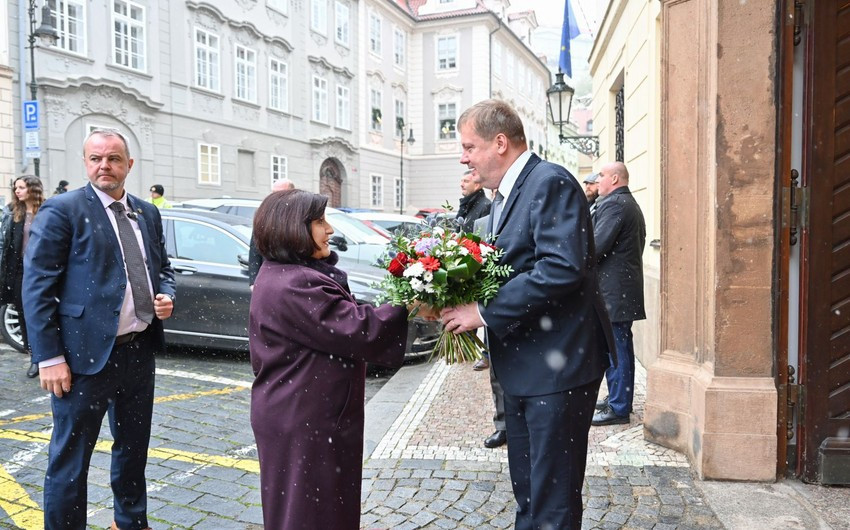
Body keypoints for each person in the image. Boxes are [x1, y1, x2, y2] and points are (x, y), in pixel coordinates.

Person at [440, 99, 614, 529]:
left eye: (469, 146)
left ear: (500, 143)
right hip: (525, 366)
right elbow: (515, 265)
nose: (463, 157)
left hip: (558, 368)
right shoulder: (503, 193)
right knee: (530, 495)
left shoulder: (550, 181)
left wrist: (482, 310)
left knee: (551, 501)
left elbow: (561, 268)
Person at [23, 128, 176, 530]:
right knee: (71, 457)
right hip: (81, 357)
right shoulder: (63, 210)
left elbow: (163, 269)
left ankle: (130, 522)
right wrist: (49, 357)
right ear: (86, 162)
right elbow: (37, 288)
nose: (104, 166)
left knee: (133, 449)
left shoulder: (147, 211)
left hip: (138, 351)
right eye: (96, 159)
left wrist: (165, 295)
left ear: (129, 164)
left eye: (112, 158)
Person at [249, 189, 410, 528]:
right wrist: (408, 305)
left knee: (316, 509)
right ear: (293, 228)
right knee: (310, 514)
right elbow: (356, 329)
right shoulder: (293, 283)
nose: (330, 230)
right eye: (320, 221)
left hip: (305, 415)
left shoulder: (289, 273)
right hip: (304, 419)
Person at [591, 161, 646, 426]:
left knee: (618, 348)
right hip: (620, 290)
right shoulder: (629, 203)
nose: (597, 180)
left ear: (614, 178)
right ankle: (617, 397)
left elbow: (597, 245)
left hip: (615, 292)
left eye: (601, 176)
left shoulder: (615, 204)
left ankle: (619, 407)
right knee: (616, 347)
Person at [0, 175, 45, 378]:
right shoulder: (13, 213)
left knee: (45, 314)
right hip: (19, 271)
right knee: (24, 315)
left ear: (33, 189)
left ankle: (47, 355)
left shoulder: (46, 212)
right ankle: (34, 357)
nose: (17, 191)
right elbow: (8, 246)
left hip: (43, 270)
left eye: (21, 187)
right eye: (15, 188)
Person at [248, 177, 296, 287]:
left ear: (292, 193)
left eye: (279, 193)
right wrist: (253, 280)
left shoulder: (299, 214)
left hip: (293, 278)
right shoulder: (263, 213)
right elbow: (255, 248)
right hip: (268, 278)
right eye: (273, 192)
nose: (274, 197)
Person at [456, 168, 491, 233]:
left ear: (477, 185)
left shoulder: (486, 206)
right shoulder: (465, 205)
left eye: (466, 181)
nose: (461, 185)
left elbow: (483, 237)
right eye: (461, 181)